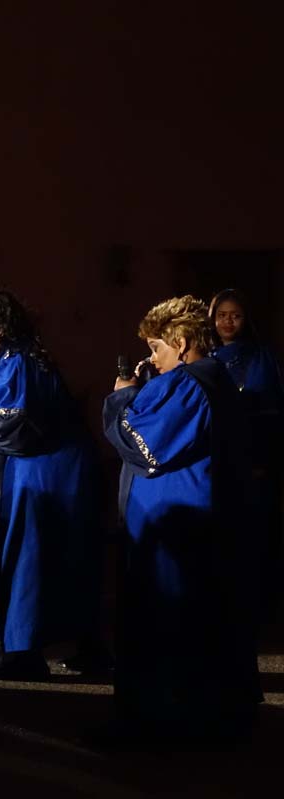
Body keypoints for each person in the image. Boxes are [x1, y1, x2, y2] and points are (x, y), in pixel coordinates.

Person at [104, 295, 261, 740]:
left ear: (181, 341)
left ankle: (162, 722)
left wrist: (122, 397)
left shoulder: (188, 384)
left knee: (169, 621)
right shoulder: (214, 378)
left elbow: (146, 445)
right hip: (198, 517)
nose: (152, 359)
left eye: (157, 347)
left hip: (177, 522)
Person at [0, 288, 100, 679]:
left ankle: (23, 654)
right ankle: (76, 646)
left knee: (29, 560)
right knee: (55, 559)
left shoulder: (19, 362)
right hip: (41, 471)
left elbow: (11, 429)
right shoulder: (6, 356)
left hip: (44, 474)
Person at [209, 288, 284, 614]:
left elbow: (271, 410)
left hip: (255, 457)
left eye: (235, 315)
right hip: (216, 458)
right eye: (222, 315)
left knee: (256, 532)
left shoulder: (261, 357)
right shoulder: (206, 358)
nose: (228, 322)